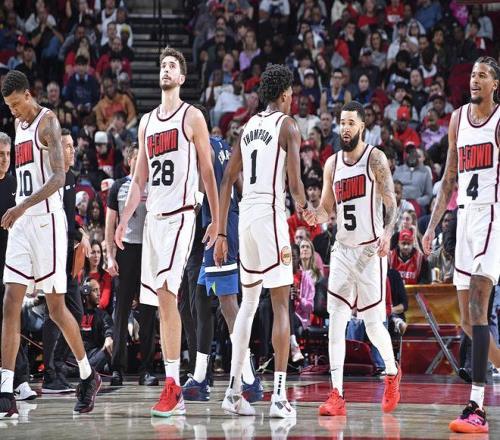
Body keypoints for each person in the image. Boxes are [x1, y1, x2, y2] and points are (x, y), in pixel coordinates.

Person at [115, 47, 219, 417]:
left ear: (182, 77)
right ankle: (174, 380)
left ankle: (173, 384)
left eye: (172, 66)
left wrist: (216, 219)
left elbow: (207, 171)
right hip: (154, 219)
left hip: (181, 215)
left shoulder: (192, 116)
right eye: (162, 65)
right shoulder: (146, 122)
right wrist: (124, 220)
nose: (165, 69)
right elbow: (139, 179)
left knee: (166, 292)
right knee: (161, 303)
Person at [0, 70, 100, 419]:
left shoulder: (48, 123)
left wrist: (22, 205)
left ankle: (87, 374)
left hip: (48, 223)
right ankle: (6, 389)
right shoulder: (18, 125)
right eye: (8, 106)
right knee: (10, 301)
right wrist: (20, 209)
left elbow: (59, 177)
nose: (13, 111)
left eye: (16, 104)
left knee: (56, 308)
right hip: (23, 224)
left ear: (28, 95)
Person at [215, 64, 308, 418]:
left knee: (249, 304)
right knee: (281, 305)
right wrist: (310, 211)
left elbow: (227, 180)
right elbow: (295, 185)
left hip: (246, 220)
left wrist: (221, 231)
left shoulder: (248, 126)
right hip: (270, 215)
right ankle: (279, 397)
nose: (292, 99)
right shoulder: (288, 125)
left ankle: (233, 392)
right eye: (292, 94)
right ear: (284, 94)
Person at [303, 101, 401, 416]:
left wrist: (388, 233)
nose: (345, 128)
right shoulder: (332, 164)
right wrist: (314, 215)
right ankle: (337, 393)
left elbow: (391, 202)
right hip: (343, 251)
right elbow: (326, 209)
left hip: (370, 250)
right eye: (341, 123)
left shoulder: (375, 158)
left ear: (361, 127)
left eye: (350, 123)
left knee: (372, 325)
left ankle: (391, 371)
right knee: (336, 321)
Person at [423, 56, 500, 434]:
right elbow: (449, 178)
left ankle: (477, 406)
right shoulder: (457, 120)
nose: (475, 80)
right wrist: (431, 227)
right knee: (468, 320)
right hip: (464, 217)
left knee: (478, 307)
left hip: (492, 217)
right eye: (472, 74)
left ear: (495, 85)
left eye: (482, 76)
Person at [182, 105, 262, 403]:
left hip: (220, 228)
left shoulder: (203, 149)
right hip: (225, 223)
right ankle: (201, 375)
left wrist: (219, 229)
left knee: (229, 304)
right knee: (201, 300)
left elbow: (209, 191)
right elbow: (238, 184)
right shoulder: (223, 146)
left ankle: (249, 378)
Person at [106, 144, 158, 387]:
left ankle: (146, 369)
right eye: (138, 157)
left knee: (148, 312)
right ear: (129, 161)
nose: (142, 161)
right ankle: (117, 368)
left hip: (149, 250)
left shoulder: (155, 185)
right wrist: (110, 256)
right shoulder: (118, 186)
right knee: (121, 312)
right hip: (126, 250)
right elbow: (110, 224)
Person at [0, 132, 37, 402]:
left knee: (13, 322)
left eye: (7, 154)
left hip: (12, 264)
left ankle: (20, 380)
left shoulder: (16, 185)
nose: (4, 159)